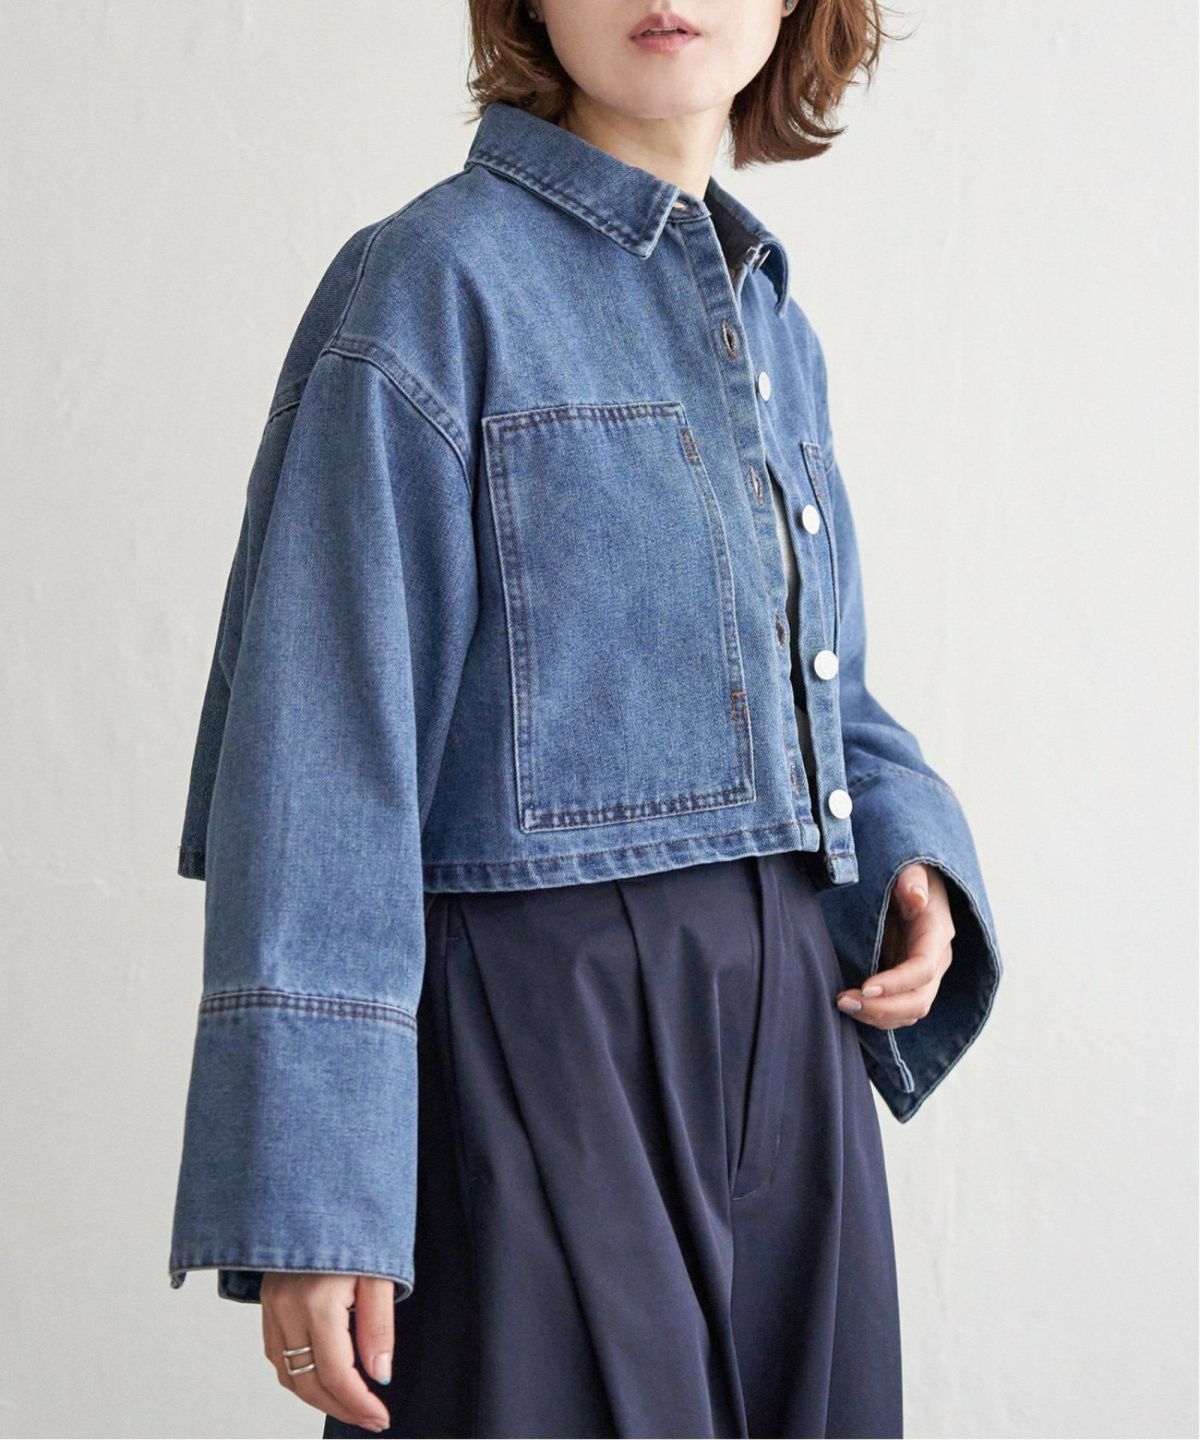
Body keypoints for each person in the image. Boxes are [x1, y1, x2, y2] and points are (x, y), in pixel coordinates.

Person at [167, 2, 1004, 1435]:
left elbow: (824, 686)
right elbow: (322, 750)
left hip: (795, 1040)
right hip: (539, 1039)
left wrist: (907, 861)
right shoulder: (429, 284)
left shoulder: (772, 321)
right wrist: (316, 1186)